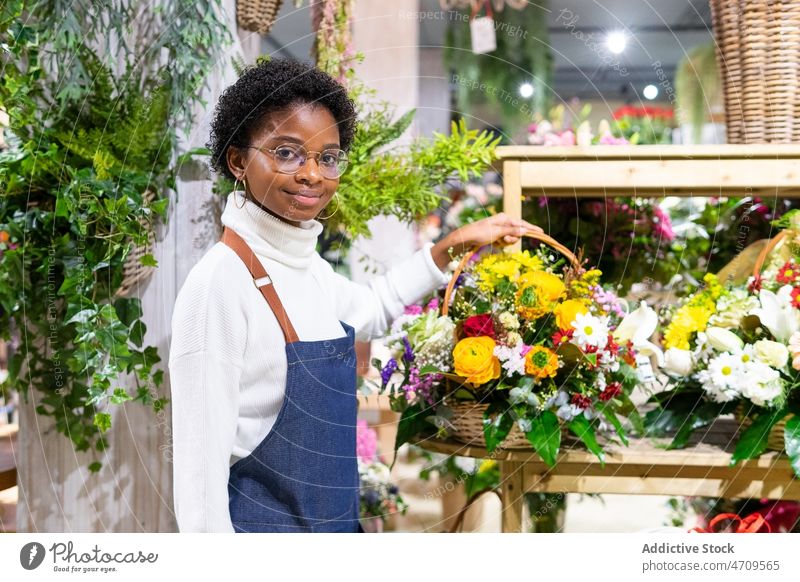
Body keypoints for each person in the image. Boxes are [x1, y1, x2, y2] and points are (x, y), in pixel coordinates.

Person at [169, 57, 540, 533]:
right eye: (286, 153)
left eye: (327, 157)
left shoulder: (307, 268)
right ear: (238, 160)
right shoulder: (218, 285)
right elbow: (200, 486)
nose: (311, 174)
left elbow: (372, 308)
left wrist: (449, 248)